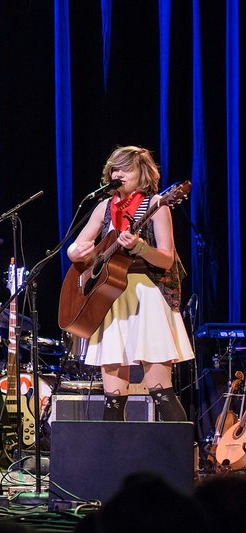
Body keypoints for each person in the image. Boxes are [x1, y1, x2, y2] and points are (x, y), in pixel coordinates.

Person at [67, 146, 193, 421]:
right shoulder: (104, 206)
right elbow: (77, 246)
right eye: (114, 169)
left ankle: (179, 460)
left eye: (126, 169)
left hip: (147, 298)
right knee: (112, 398)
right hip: (110, 300)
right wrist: (76, 252)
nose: (118, 174)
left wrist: (140, 248)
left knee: (160, 390)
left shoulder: (157, 205)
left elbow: (166, 259)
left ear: (143, 173)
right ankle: (114, 463)